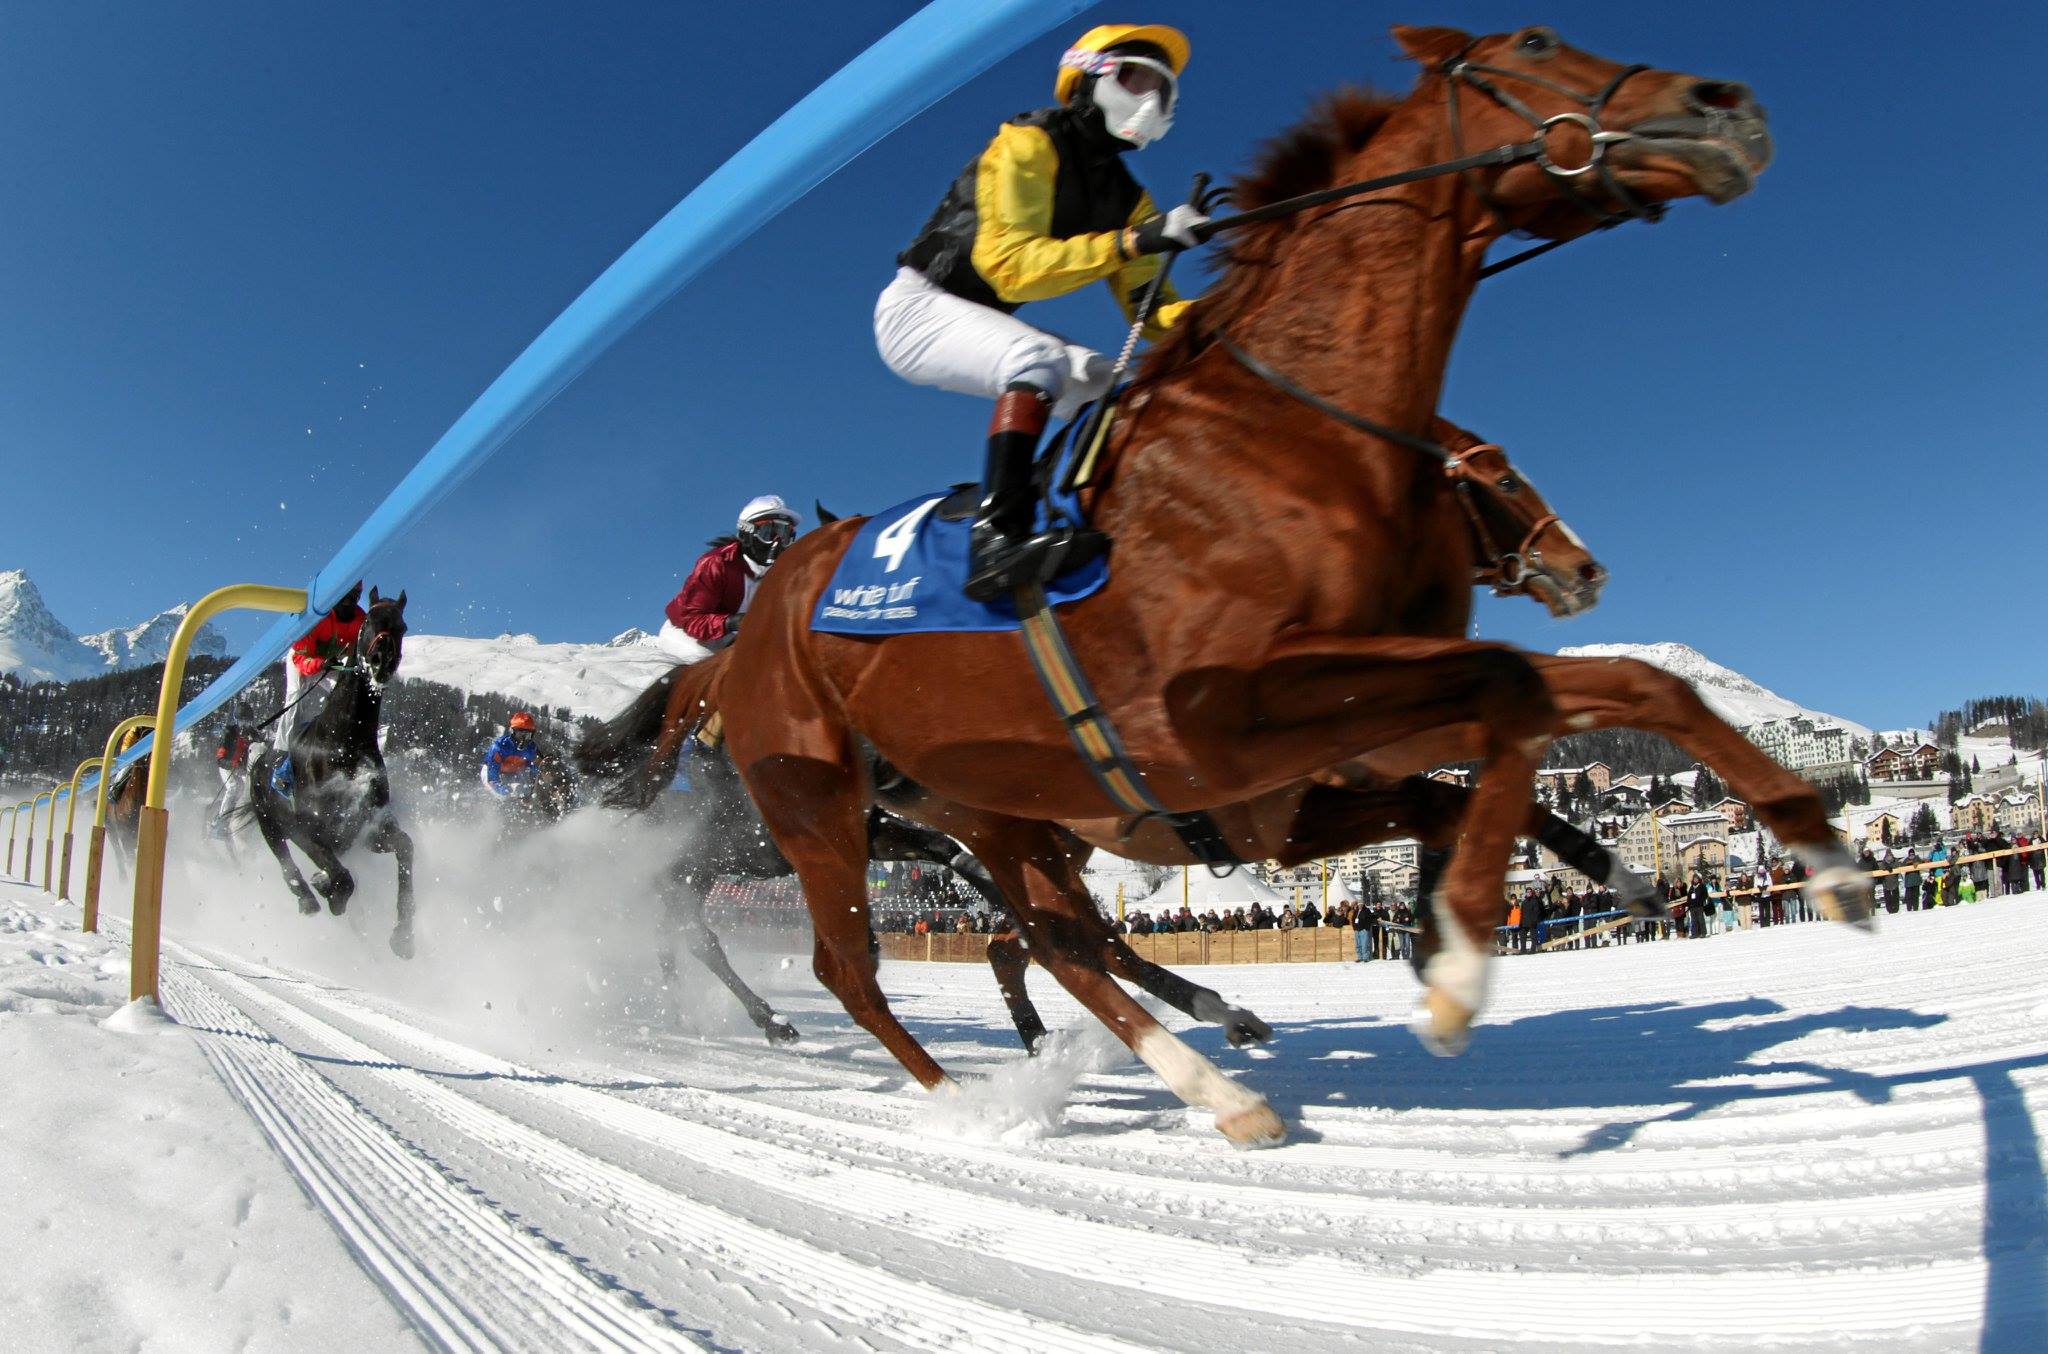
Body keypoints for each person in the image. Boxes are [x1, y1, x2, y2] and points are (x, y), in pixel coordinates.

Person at [876, 23, 1203, 600]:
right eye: (1136, 78)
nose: (1151, 100)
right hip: (919, 310)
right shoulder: (1028, 144)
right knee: (1036, 357)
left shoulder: (1131, 201)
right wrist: (1134, 242)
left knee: (1116, 386)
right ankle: (995, 541)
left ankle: (1082, 519)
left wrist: (1231, 310)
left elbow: (1153, 315)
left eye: (1165, 91)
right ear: (1088, 78)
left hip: (983, 321)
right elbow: (1009, 265)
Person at [658, 496, 800, 661]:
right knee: (711, 668)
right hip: (686, 633)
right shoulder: (716, 563)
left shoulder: (781, 573)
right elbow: (692, 619)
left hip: (731, 636)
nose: (777, 542)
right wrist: (731, 622)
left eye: (785, 534)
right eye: (768, 532)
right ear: (746, 532)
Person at [278, 581, 365, 741]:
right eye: (344, 598)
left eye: (353, 597)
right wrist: (320, 664)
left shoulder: (361, 622)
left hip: (332, 663)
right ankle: (283, 748)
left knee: (344, 691)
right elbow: (300, 658)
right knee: (296, 693)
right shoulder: (318, 619)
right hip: (303, 658)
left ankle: (341, 738)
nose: (348, 603)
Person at [481, 711, 542, 801]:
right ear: (513, 732)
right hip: (491, 773)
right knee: (503, 797)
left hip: (514, 774)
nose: (523, 740)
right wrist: (502, 790)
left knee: (523, 792)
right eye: (520, 734)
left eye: (527, 735)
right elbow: (492, 778)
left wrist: (533, 791)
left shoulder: (532, 749)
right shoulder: (499, 747)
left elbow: (537, 770)